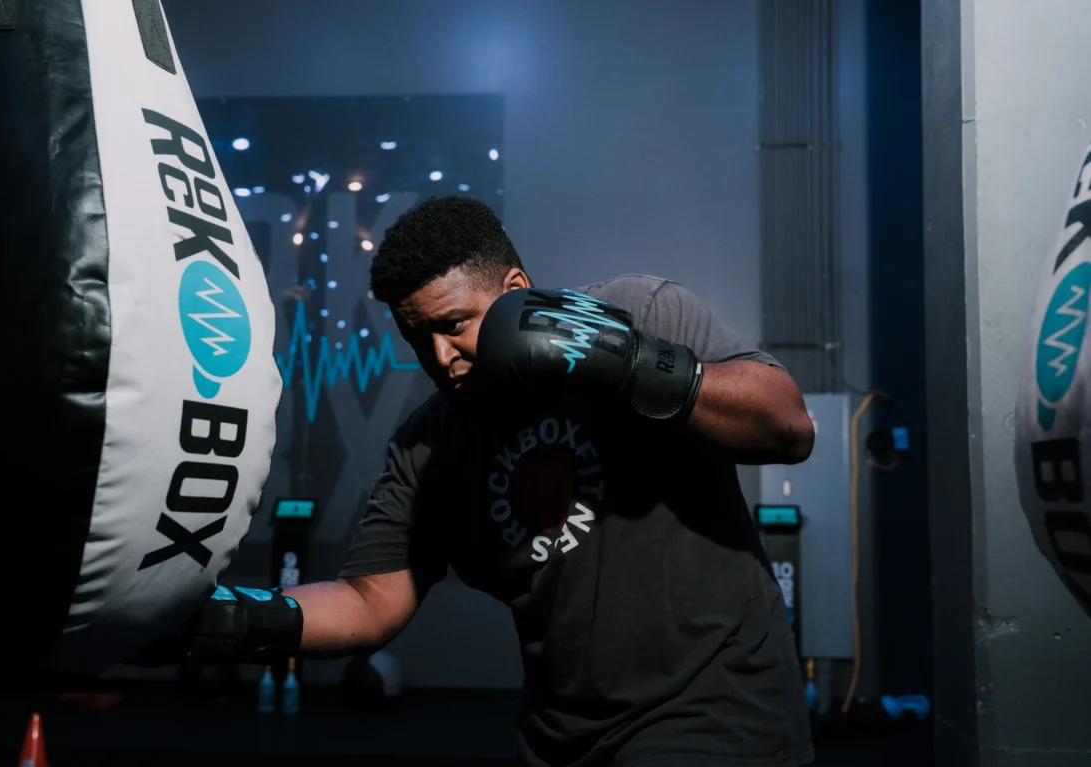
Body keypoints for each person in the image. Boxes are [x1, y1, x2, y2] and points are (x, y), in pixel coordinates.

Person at [176, 196, 816, 767]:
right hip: (559, 737)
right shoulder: (428, 447)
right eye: (416, 336)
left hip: (720, 711)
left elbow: (789, 428)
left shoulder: (638, 311)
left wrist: (631, 364)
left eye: (454, 324)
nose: (440, 359)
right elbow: (370, 601)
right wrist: (227, 620)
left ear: (516, 289)